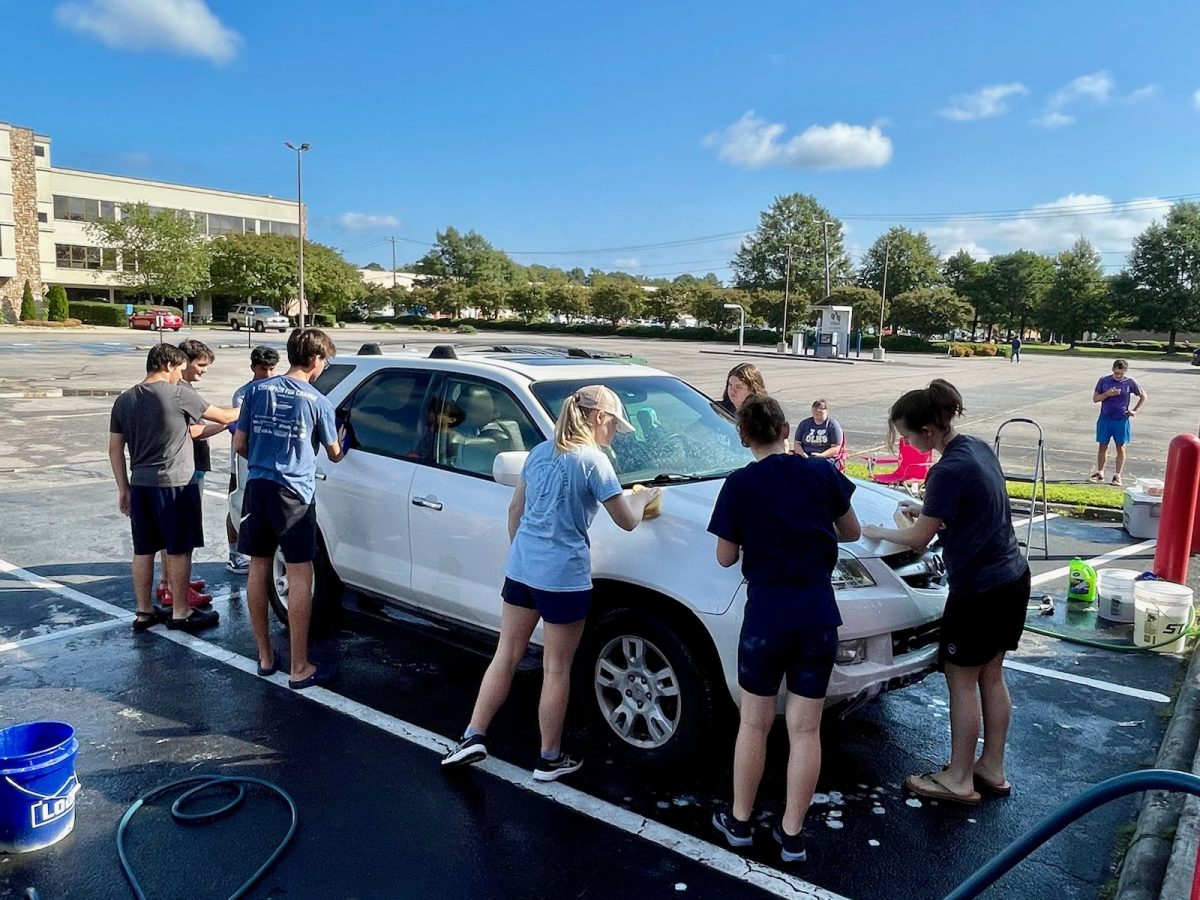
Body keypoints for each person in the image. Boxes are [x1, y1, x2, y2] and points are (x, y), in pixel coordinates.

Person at [441, 385, 660, 781]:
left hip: (523, 569)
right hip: (564, 577)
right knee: (556, 667)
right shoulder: (595, 462)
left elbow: (515, 510)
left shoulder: (539, 453)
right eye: (613, 425)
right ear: (598, 418)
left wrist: (523, 555)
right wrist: (643, 499)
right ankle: (548, 757)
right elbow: (626, 521)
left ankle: (473, 735)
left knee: (506, 654)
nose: (614, 433)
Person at [707, 395, 860, 864]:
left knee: (754, 723)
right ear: (787, 429)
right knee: (806, 730)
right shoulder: (821, 473)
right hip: (817, 614)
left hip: (767, 617)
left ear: (743, 435)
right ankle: (792, 834)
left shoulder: (739, 484)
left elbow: (725, 556)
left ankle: (739, 821)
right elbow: (851, 531)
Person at [861, 379, 1029, 807]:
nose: (905, 442)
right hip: (1012, 577)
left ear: (928, 431)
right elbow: (975, 508)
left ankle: (958, 778)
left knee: (961, 679)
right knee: (992, 674)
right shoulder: (974, 448)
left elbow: (917, 538)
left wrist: (871, 529)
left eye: (906, 435)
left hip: (979, 590)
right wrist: (931, 511)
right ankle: (991, 767)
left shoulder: (946, 470)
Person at [233, 329, 345, 690]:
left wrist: (264, 461)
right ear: (314, 359)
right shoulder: (316, 401)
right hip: (294, 494)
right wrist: (344, 435)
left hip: (258, 487)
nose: (323, 368)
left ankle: (265, 657)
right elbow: (334, 453)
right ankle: (299, 666)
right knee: (300, 575)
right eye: (324, 361)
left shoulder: (255, 391)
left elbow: (239, 443)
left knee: (258, 566)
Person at [108, 344, 237, 634]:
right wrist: (255, 401)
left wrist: (123, 487)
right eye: (179, 370)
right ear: (167, 365)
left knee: (143, 550)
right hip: (176, 484)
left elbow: (115, 449)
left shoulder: (124, 399)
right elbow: (226, 417)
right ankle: (181, 611)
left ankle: (144, 612)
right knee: (179, 549)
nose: (180, 375)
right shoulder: (179, 393)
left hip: (140, 484)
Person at [153, 339, 235, 608]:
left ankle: (173, 583)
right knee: (182, 531)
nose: (204, 370)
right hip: (188, 467)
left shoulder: (174, 389)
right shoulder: (183, 391)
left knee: (172, 532)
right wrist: (233, 421)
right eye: (201, 365)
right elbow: (196, 431)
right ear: (183, 363)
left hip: (181, 466)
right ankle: (176, 588)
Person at [226, 346, 280, 574]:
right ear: (252, 368)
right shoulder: (243, 394)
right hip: (243, 462)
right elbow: (239, 430)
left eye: (271, 369)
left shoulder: (279, 389)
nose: (267, 374)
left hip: (268, 461)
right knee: (236, 504)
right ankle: (234, 553)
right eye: (262, 369)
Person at [1090, 358, 1146, 486]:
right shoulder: (1104, 380)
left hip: (1121, 419)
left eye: (1120, 373)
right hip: (1105, 418)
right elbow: (1095, 399)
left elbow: (1143, 396)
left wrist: (1135, 410)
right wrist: (1107, 394)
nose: (1118, 376)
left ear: (1125, 372)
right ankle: (1100, 472)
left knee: (1120, 447)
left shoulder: (1130, 382)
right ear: (1112, 370)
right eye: (1116, 373)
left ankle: (1117, 475)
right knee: (1102, 446)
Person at [793, 400, 845, 467]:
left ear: (827, 410)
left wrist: (821, 456)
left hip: (826, 457)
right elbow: (797, 443)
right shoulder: (804, 424)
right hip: (805, 456)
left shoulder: (833, 425)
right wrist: (803, 455)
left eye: (821, 408)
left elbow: (836, 447)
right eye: (815, 408)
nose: (817, 410)